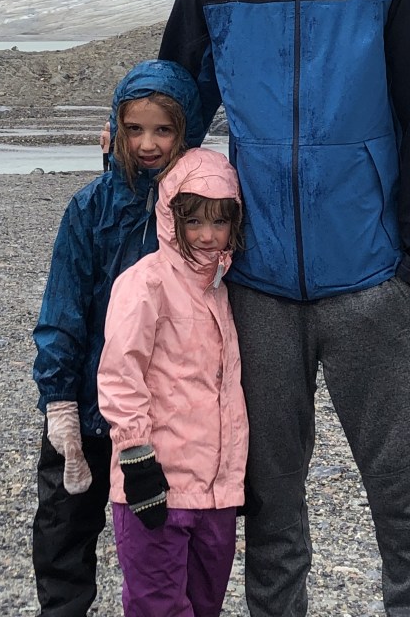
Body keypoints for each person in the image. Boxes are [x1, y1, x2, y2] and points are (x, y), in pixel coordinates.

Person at [159, 0, 410, 617]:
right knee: (272, 501)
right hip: (253, 290)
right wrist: (166, 245)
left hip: (373, 284)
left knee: (400, 494)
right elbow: (175, 113)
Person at [32, 60, 204, 617]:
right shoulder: (89, 208)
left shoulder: (197, 209)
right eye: (134, 129)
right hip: (86, 406)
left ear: (186, 132)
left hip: (165, 414)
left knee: (158, 538)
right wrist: (59, 400)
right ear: (116, 127)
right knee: (65, 530)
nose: (149, 144)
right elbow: (63, 307)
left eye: (164, 130)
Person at [98, 146, 248, 617]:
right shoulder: (145, 283)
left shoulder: (223, 289)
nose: (207, 235)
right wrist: (137, 460)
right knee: (157, 607)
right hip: (155, 485)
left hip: (215, 494)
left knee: (205, 605)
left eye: (219, 222)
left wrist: (233, 481)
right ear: (171, 216)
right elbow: (121, 373)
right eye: (195, 221)